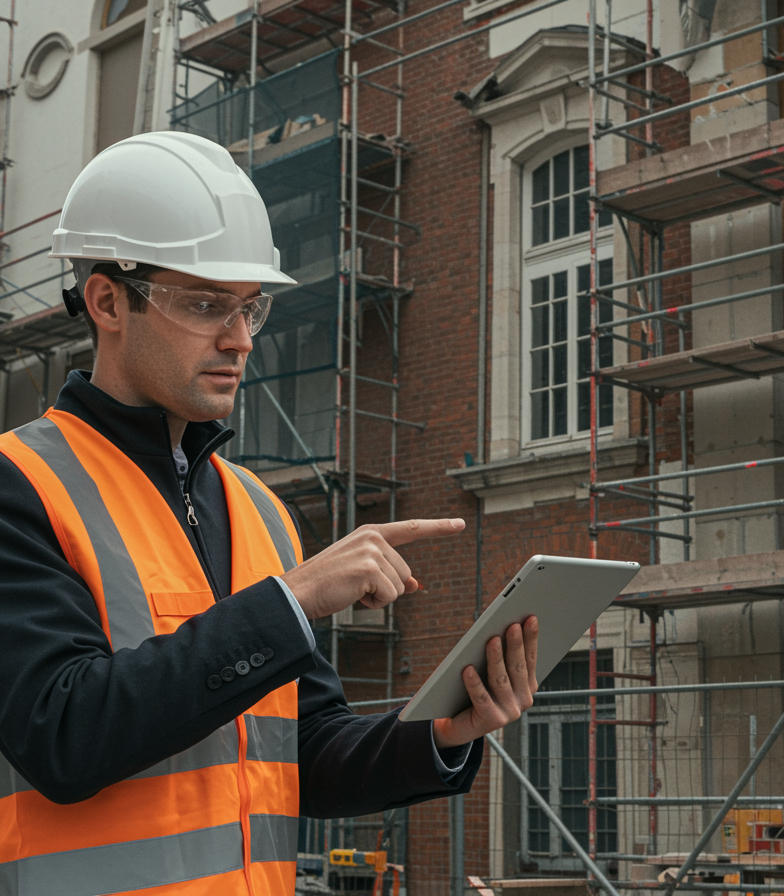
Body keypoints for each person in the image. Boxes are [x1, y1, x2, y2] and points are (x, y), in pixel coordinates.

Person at [0, 131, 535, 895]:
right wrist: (295, 601)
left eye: (252, 308)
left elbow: (299, 758)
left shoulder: (258, 510)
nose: (241, 339)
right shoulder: (18, 484)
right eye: (206, 305)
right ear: (108, 302)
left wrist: (437, 734)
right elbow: (63, 734)